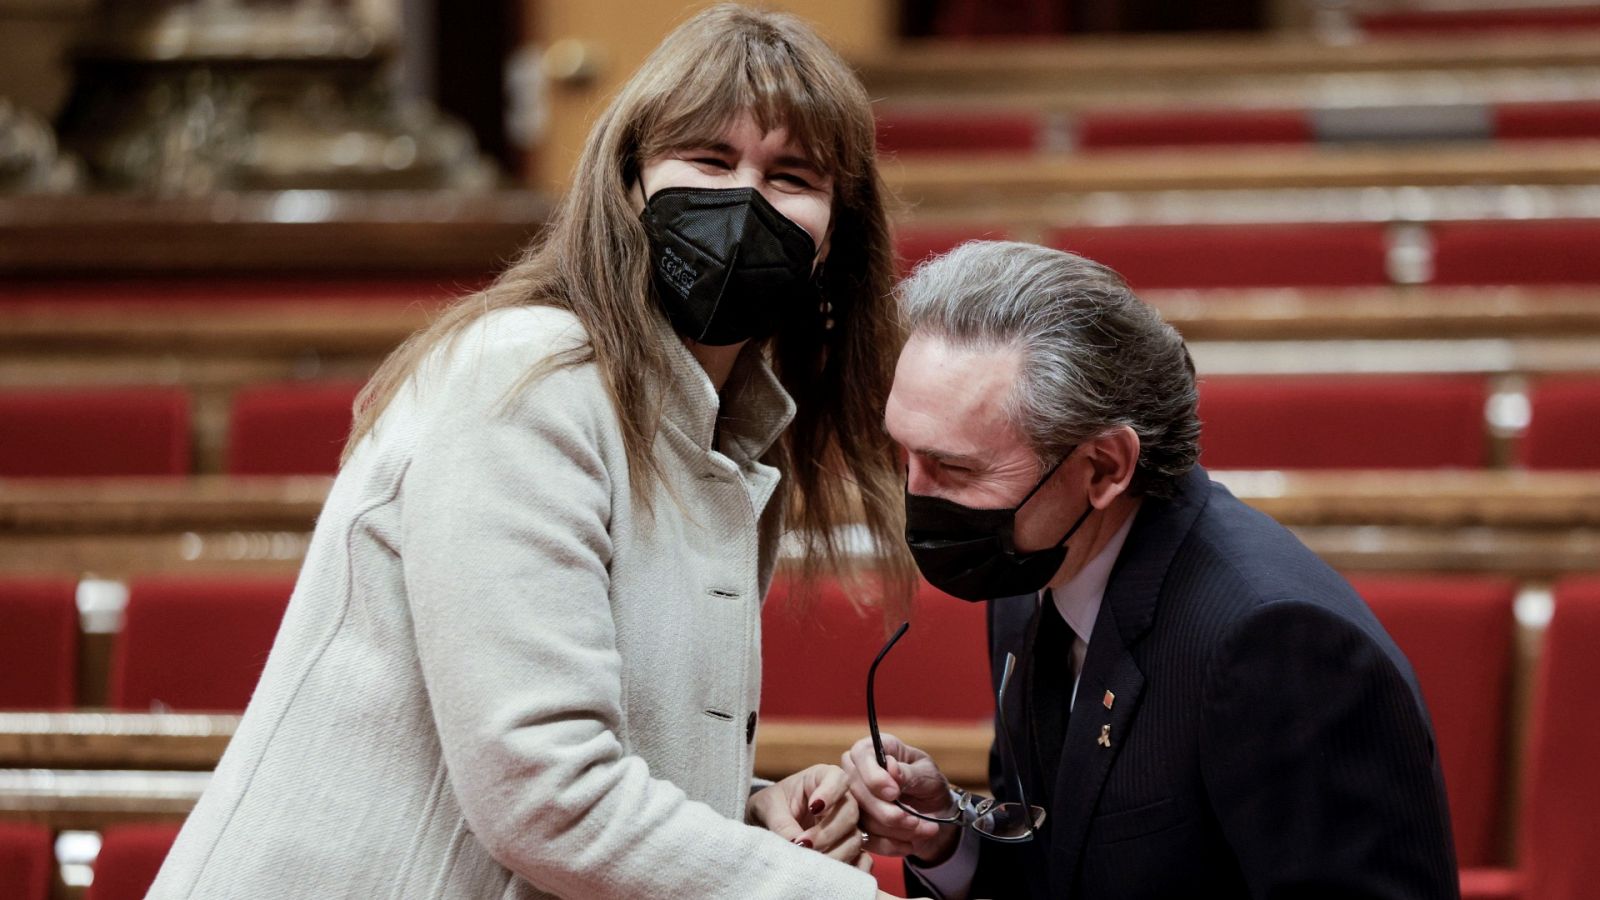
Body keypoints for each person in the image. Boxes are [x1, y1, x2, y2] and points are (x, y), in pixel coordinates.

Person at [149, 6, 914, 898]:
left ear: (834, 235)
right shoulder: (528, 381)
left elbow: (596, 747)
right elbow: (546, 797)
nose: (744, 200)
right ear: (631, 182)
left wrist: (747, 815)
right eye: (708, 160)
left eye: (791, 177)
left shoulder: (727, 423)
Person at [843, 240, 1459, 899]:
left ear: (1106, 468)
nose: (916, 492)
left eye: (954, 468)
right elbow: (1063, 864)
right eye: (901, 455)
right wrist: (948, 840)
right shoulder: (1033, 567)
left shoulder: (1278, 646)